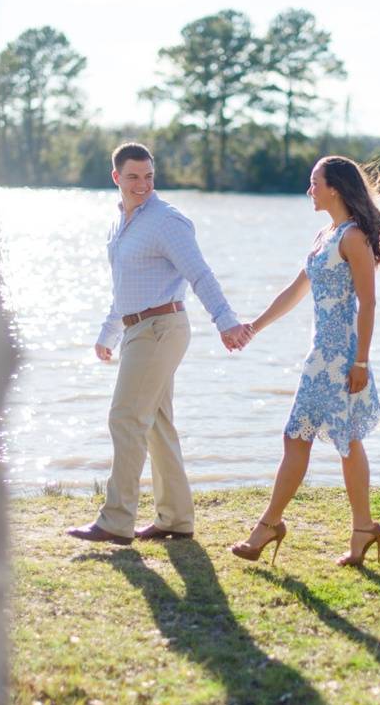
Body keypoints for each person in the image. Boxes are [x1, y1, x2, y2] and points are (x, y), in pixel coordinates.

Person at [68, 142, 251, 546]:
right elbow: (125, 288)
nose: (143, 185)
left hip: (161, 328)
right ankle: (176, 519)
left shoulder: (167, 221)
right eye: (133, 177)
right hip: (138, 330)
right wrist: (108, 334)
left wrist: (226, 322)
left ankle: (116, 521)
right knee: (155, 425)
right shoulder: (121, 223)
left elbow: (200, 274)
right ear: (116, 178)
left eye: (149, 176)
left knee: (125, 418)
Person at [231, 155, 380, 567]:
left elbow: (369, 303)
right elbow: (296, 290)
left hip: (341, 357)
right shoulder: (326, 235)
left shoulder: (352, 237)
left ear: (334, 187)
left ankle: (273, 526)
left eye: (314, 183)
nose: (310, 190)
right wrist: (256, 325)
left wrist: (360, 363)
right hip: (320, 354)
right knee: (325, 438)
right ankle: (359, 528)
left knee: (323, 438)